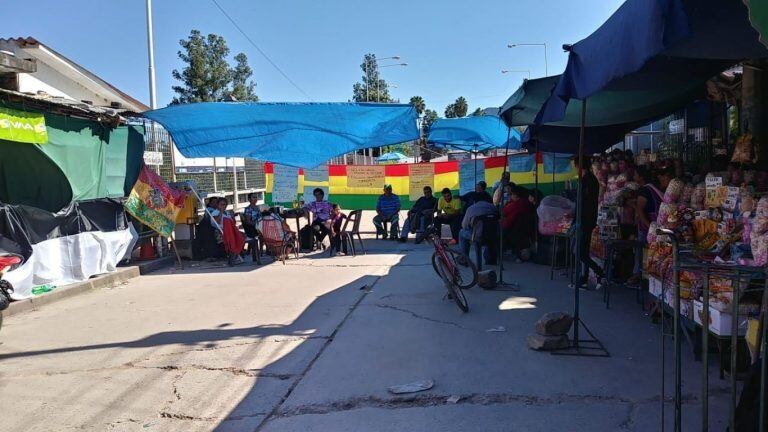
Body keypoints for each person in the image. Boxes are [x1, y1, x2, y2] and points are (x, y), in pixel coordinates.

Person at [574, 155, 605, 289]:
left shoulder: (588, 180)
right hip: (588, 219)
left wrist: (577, 219)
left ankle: (599, 271)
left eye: (574, 165)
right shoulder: (588, 179)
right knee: (584, 252)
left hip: (585, 220)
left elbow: (584, 203)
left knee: (580, 252)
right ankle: (584, 278)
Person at [459, 194, 498, 264]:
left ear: (474, 201)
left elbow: (464, 225)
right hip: (493, 235)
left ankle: (464, 258)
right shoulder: (493, 207)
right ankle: (490, 259)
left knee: (462, 232)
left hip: (477, 236)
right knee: (488, 233)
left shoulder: (471, 209)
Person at [501, 185, 535, 259]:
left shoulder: (517, 204)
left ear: (516, 195)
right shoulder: (526, 203)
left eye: (512, 194)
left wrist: (508, 203)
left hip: (514, 228)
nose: (510, 195)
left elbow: (504, 212)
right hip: (524, 228)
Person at [214, 198, 245, 265]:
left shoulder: (227, 212)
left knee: (243, 236)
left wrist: (233, 216)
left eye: (225, 205)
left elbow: (233, 223)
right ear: (218, 205)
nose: (223, 206)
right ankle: (233, 255)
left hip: (230, 230)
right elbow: (217, 222)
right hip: (221, 231)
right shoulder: (215, 212)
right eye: (221, 204)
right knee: (233, 239)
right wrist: (221, 212)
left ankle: (235, 254)